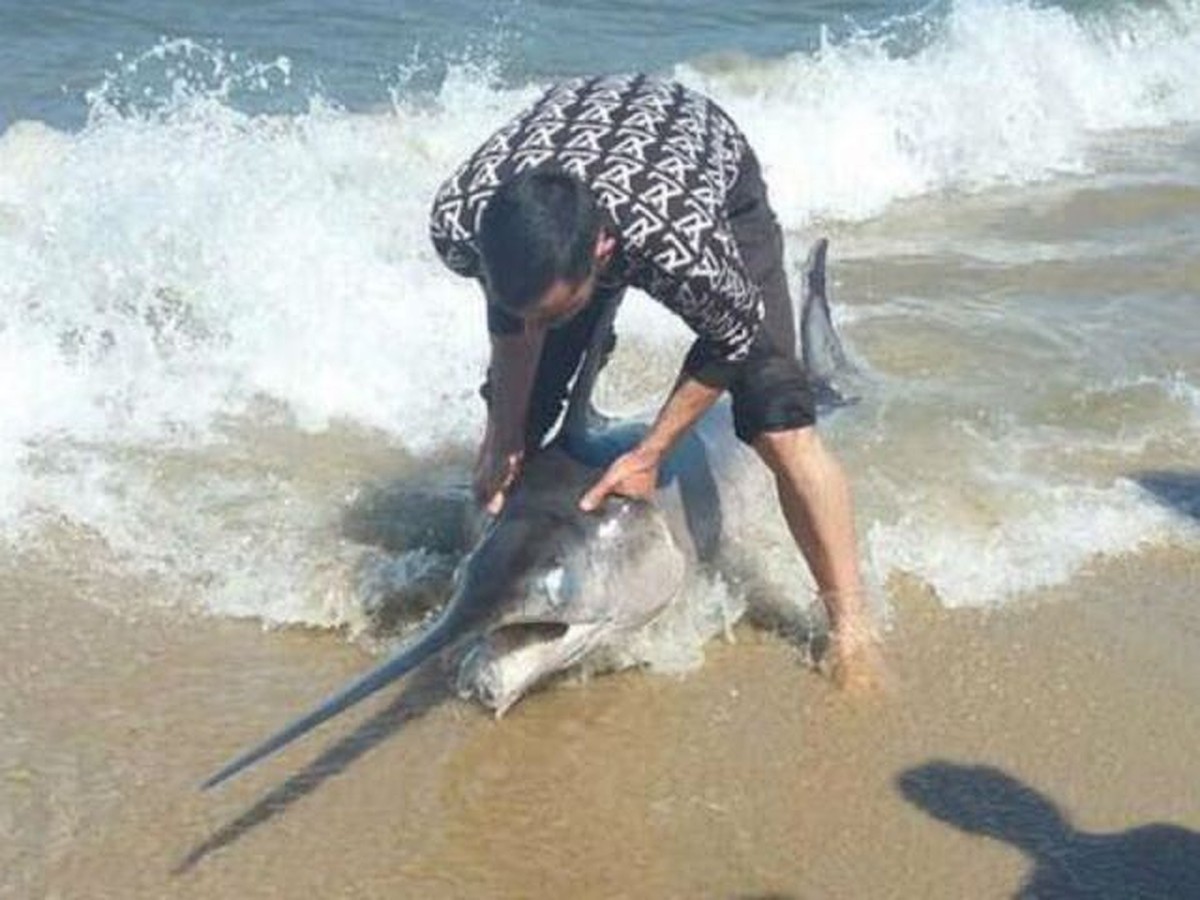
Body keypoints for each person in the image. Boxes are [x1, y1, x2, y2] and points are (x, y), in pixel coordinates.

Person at [429, 74, 884, 691]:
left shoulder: (680, 244)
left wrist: (651, 453)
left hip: (696, 163)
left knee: (780, 424)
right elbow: (511, 320)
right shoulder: (460, 219)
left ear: (603, 252)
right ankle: (500, 572)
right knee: (519, 427)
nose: (535, 326)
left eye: (554, 312)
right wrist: (505, 434)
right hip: (578, 157)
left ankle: (852, 631)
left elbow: (732, 333)